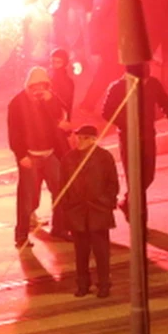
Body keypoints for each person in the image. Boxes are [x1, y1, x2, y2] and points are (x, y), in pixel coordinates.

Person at [7, 66, 72, 248]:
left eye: (42, 86)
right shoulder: (17, 103)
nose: (38, 90)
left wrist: (51, 101)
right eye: (35, 86)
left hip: (50, 153)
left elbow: (62, 113)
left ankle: (60, 228)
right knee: (28, 198)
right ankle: (21, 235)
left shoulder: (49, 99)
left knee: (60, 191)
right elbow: (14, 132)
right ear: (28, 86)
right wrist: (21, 155)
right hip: (30, 156)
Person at [101, 70, 168, 216]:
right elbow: (106, 111)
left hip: (148, 135)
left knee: (148, 175)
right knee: (134, 178)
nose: (144, 82)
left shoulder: (152, 83)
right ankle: (138, 219)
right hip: (128, 138)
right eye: (141, 80)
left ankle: (128, 201)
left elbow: (165, 103)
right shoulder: (118, 87)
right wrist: (128, 123)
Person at [59, 125, 119, 298]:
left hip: (98, 210)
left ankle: (104, 284)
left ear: (93, 140)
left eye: (85, 138)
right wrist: (68, 206)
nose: (80, 141)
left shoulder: (104, 157)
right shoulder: (68, 159)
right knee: (81, 252)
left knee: (101, 252)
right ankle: (83, 284)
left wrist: (106, 203)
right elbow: (62, 185)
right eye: (78, 137)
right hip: (78, 211)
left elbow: (112, 183)